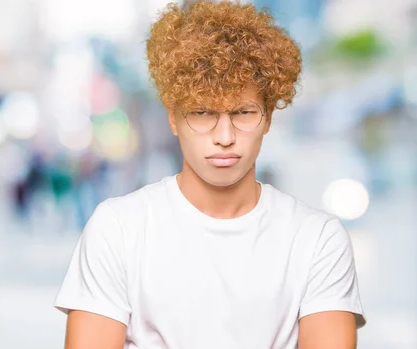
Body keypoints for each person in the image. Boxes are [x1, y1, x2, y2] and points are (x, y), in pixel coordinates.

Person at [54, 1, 366, 348]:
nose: (224, 136)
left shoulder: (317, 239)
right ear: (173, 117)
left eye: (243, 112)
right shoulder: (118, 229)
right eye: (202, 113)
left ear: (268, 118)